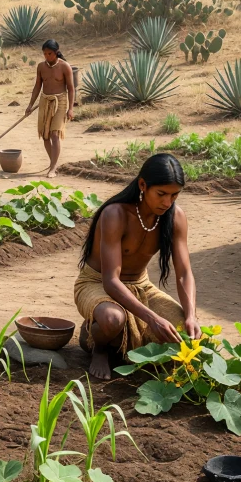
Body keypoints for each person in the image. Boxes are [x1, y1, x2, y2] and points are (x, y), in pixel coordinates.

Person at [74, 153, 200, 380]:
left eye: (174, 195)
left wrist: (191, 315)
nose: (167, 202)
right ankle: (99, 346)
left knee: (186, 332)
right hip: (97, 283)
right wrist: (152, 318)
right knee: (113, 319)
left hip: (140, 285)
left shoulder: (175, 217)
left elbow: (184, 274)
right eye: (161, 194)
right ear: (143, 185)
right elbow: (111, 281)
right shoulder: (116, 214)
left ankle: (109, 335)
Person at [24, 39, 76, 177]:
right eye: (45, 54)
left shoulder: (65, 67)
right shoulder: (41, 67)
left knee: (54, 134)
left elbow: (71, 89)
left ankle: (52, 168)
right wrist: (30, 105)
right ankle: (53, 163)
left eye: (50, 54)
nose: (47, 56)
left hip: (60, 101)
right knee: (45, 135)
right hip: (45, 101)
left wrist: (70, 108)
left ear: (56, 52)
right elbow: (37, 86)